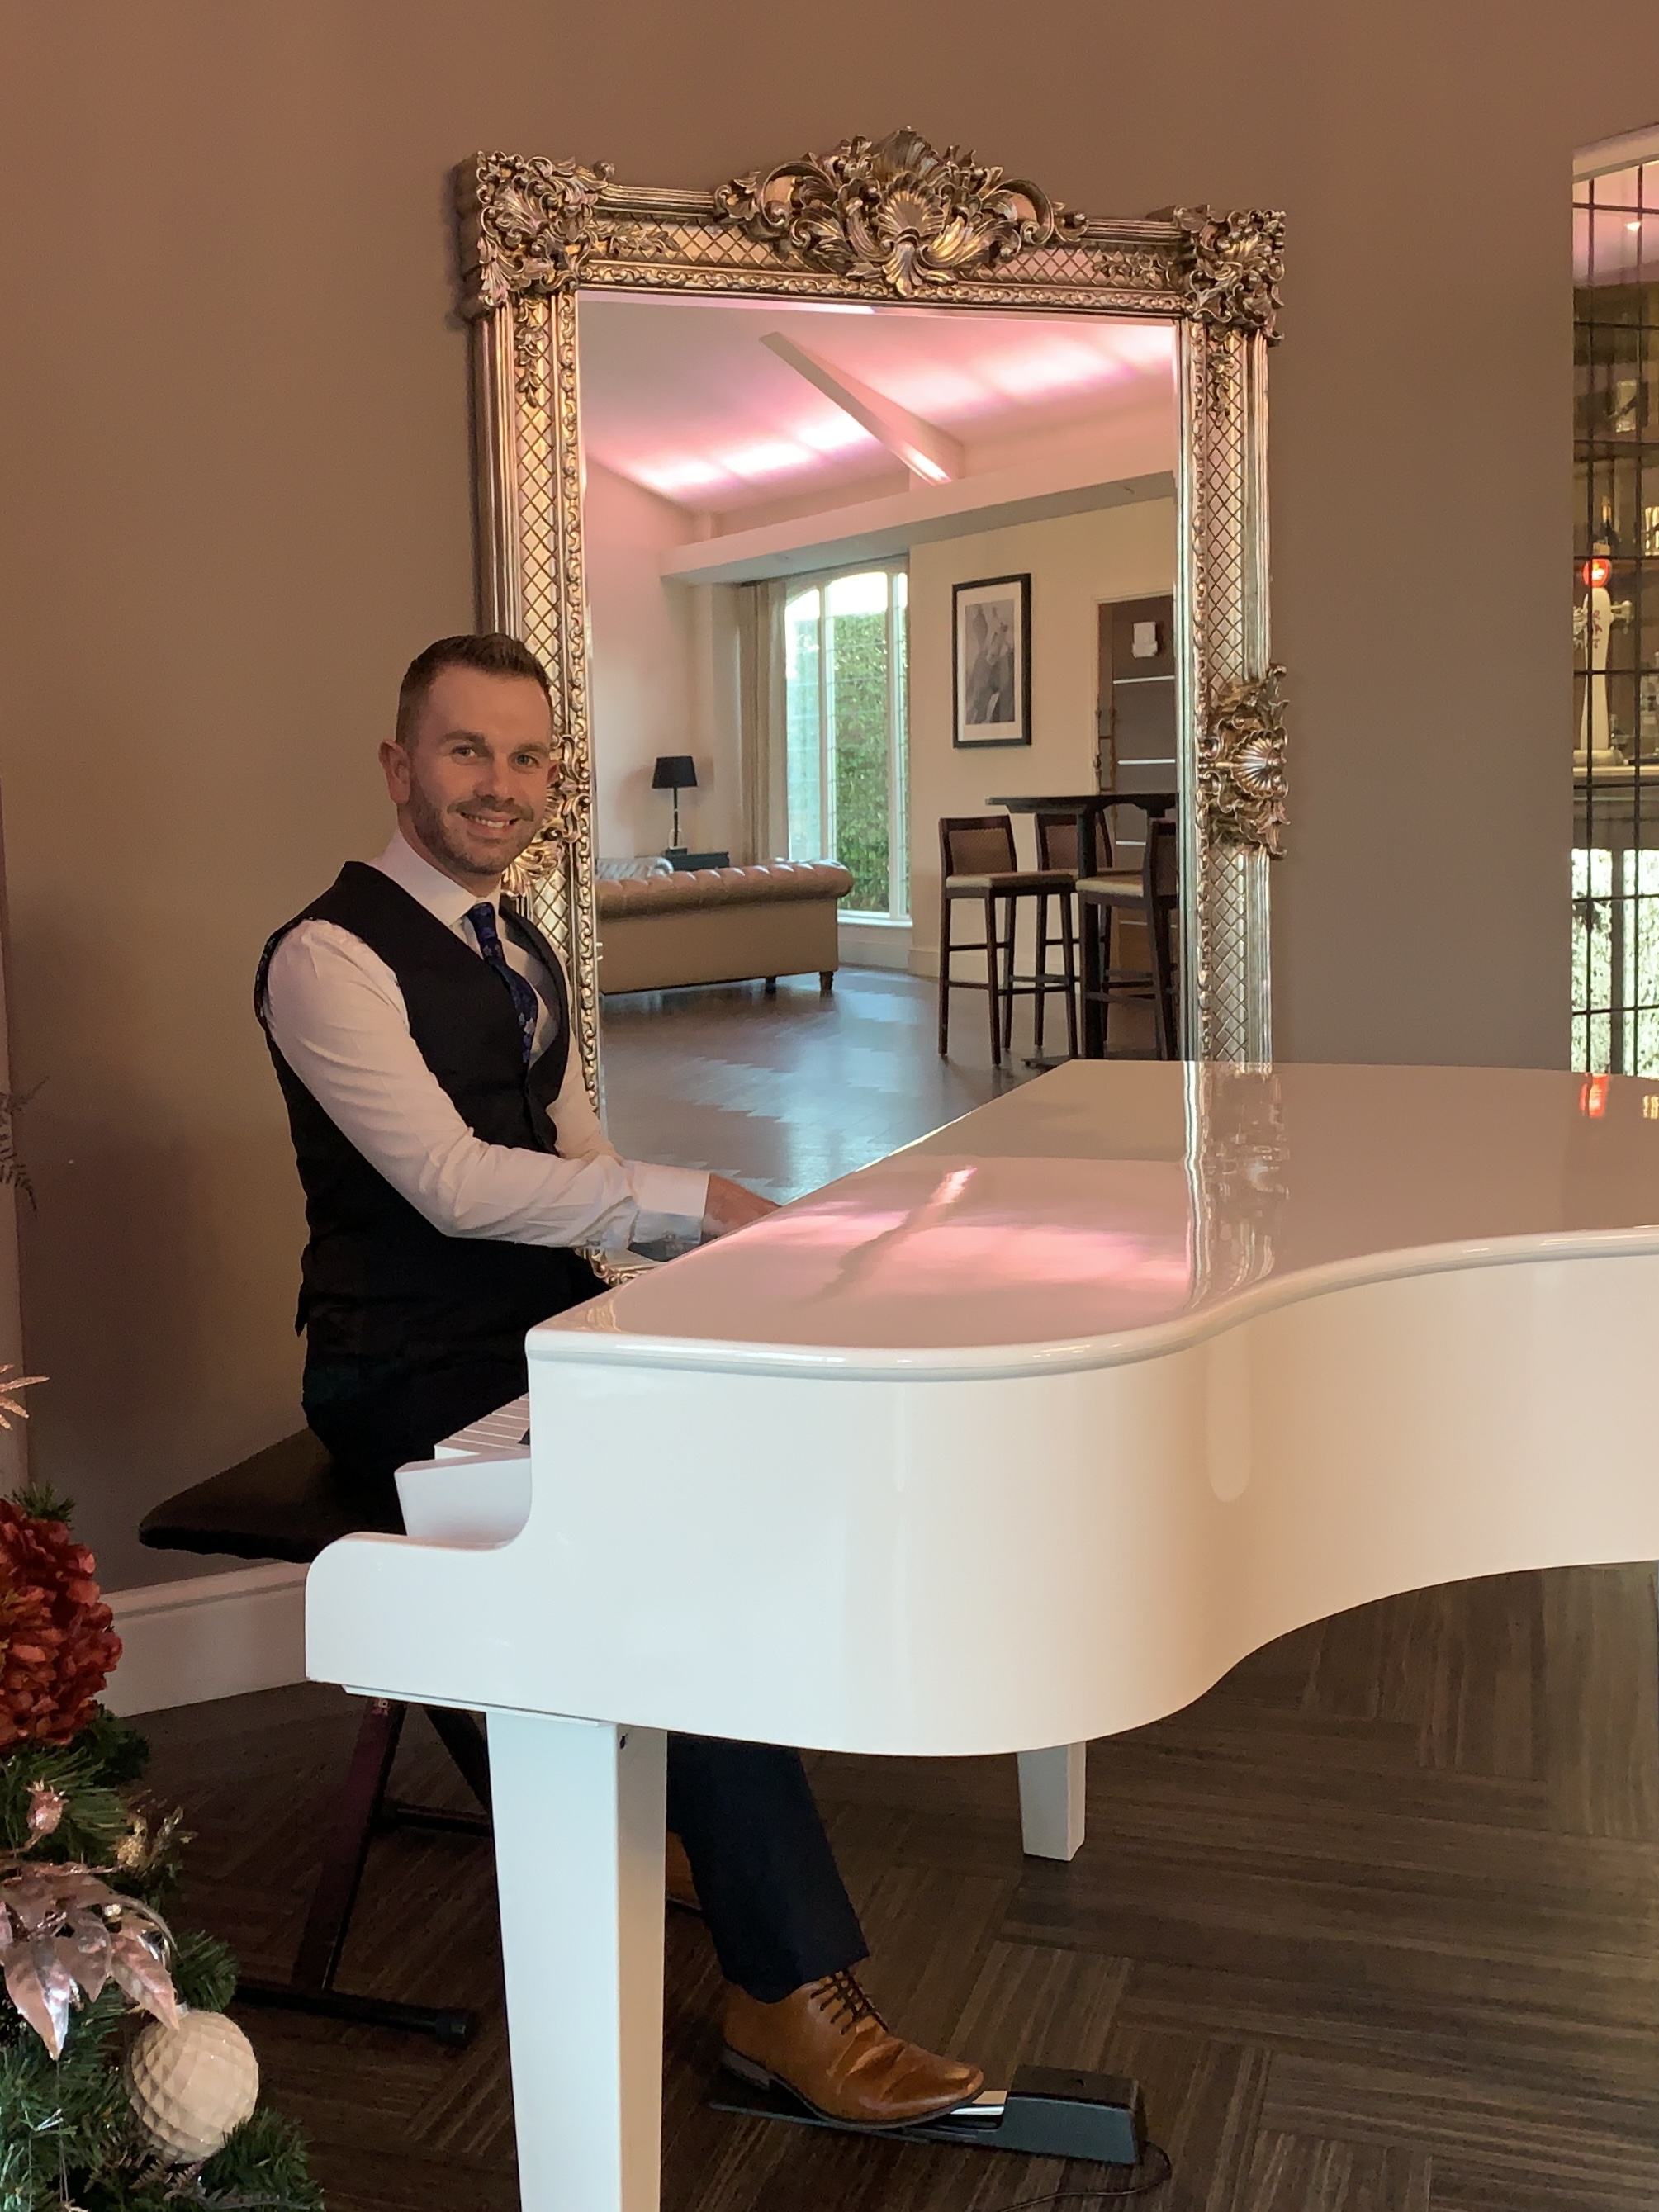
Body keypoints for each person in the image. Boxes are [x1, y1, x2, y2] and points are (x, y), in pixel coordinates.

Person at [257, 631, 981, 2127]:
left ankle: (650, 1811)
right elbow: (456, 1186)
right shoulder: (324, 958)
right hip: (397, 1366)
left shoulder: (521, 948)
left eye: (529, 758)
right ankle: (788, 1994)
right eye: (467, 752)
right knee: (678, 1559)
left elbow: (576, 1165)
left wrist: (688, 1271)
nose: (502, 786)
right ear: (399, 766)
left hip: (536, 1331)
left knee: (737, 1475)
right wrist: (700, 1197)